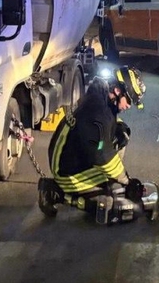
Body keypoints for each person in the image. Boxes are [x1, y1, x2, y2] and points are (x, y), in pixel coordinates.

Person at [39, 66, 147, 224]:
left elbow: (103, 127)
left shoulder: (101, 95)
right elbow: (102, 155)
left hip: (72, 154)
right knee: (108, 206)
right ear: (117, 91)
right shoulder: (97, 112)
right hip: (66, 170)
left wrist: (119, 126)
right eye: (129, 100)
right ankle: (54, 192)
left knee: (121, 136)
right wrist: (127, 181)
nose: (129, 105)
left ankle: (99, 186)